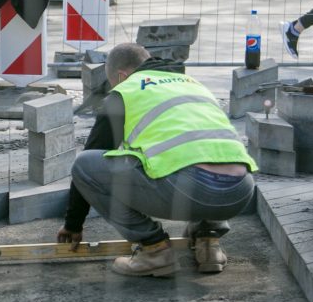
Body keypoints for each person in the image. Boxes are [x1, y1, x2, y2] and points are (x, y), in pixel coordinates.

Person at [56, 43, 257, 277]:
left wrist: (73, 224)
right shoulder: (193, 84)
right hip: (240, 191)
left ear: (121, 76)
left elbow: (90, 165)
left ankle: (154, 250)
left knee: (85, 165)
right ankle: (208, 243)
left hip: (190, 190)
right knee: (199, 153)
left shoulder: (126, 91)